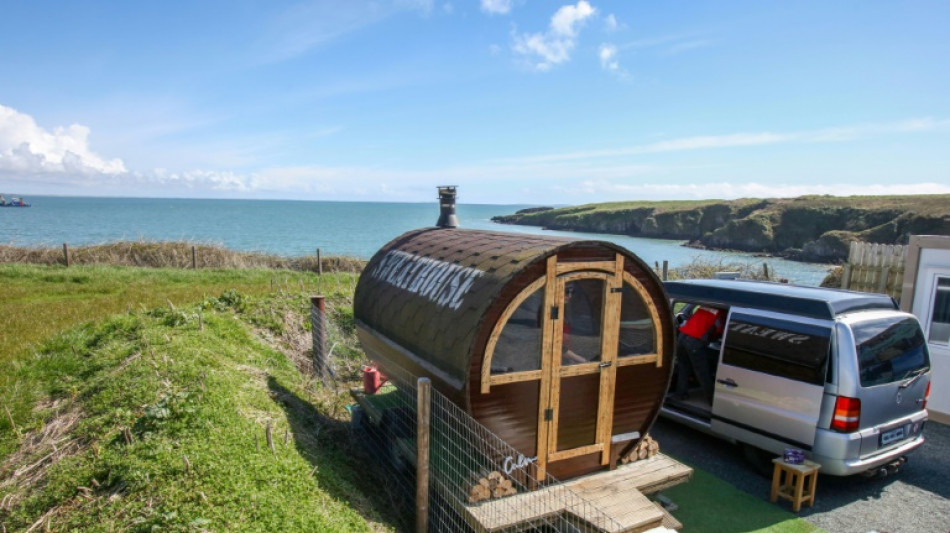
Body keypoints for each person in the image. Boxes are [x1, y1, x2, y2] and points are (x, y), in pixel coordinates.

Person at [673, 306, 725, 403]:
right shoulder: (721, 313)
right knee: (702, 371)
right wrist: (710, 340)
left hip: (682, 336)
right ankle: (712, 400)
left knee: (683, 367)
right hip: (694, 341)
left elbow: (696, 320)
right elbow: (720, 332)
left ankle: (680, 394)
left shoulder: (705, 305)